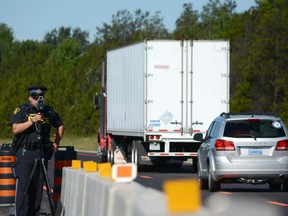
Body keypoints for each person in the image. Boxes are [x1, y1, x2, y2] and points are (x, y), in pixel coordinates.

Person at [10, 86, 64, 216]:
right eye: (35, 97)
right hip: (26, 152)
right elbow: (15, 129)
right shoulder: (22, 110)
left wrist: (56, 142)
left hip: (41, 151)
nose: (38, 100)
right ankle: (22, 213)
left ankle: (33, 213)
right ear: (30, 98)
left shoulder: (49, 111)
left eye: (41, 97)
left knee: (38, 186)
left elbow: (60, 125)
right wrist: (32, 121)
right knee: (24, 186)